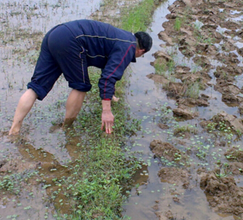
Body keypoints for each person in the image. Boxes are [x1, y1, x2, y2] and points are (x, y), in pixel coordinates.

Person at [9, 20, 153, 136]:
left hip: (56, 33)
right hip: (72, 41)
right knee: (81, 86)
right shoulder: (128, 47)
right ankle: (66, 128)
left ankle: (14, 130)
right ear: (141, 51)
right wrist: (106, 111)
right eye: (141, 55)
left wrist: (111, 96)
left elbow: (109, 68)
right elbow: (108, 78)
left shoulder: (122, 36)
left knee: (36, 86)